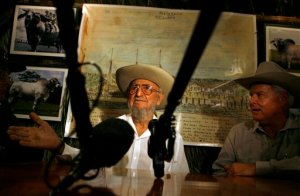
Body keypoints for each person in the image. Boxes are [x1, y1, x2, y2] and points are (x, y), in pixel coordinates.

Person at [8, 64, 189, 173]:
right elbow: (88, 160)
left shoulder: (173, 139)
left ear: (159, 98)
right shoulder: (110, 128)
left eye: (147, 88)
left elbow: (180, 182)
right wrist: (58, 145)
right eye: (133, 88)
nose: (138, 93)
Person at [212, 61, 300, 179]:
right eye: (251, 95)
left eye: (260, 95)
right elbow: (219, 173)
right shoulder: (238, 133)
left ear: (282, 99)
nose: (252, 101)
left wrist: (255, 168)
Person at [0, 60, 44, 163]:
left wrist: (38, 141)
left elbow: (30, 149)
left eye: (8, 76)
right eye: (2, 76)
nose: (9, 82)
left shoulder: (3, 108)